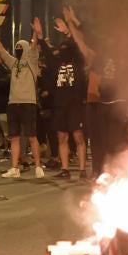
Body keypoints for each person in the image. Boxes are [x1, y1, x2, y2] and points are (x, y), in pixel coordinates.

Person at [0, 20, 44, 179]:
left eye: (21, 47)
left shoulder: (31, 62)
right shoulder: (13, 62)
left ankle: (38, 166)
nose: (18, 49)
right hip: (13, 104)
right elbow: (1, 49)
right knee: (14, 137)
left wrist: (35, 34)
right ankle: (14, 168)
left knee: (32, 136)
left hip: (28, 103)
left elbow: (33, 47)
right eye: (17, 47)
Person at [37, 16, 87, 179]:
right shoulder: (56, 62)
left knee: (78, 135)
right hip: (60, 103)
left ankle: (82, 169)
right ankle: (65, 169)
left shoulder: (78, 60)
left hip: (75, 102)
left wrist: (68, 30)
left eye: (65, 48)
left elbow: (79, 41)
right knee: (61, 136)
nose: (62, 51)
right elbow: (49, 53)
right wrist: (39, 37)